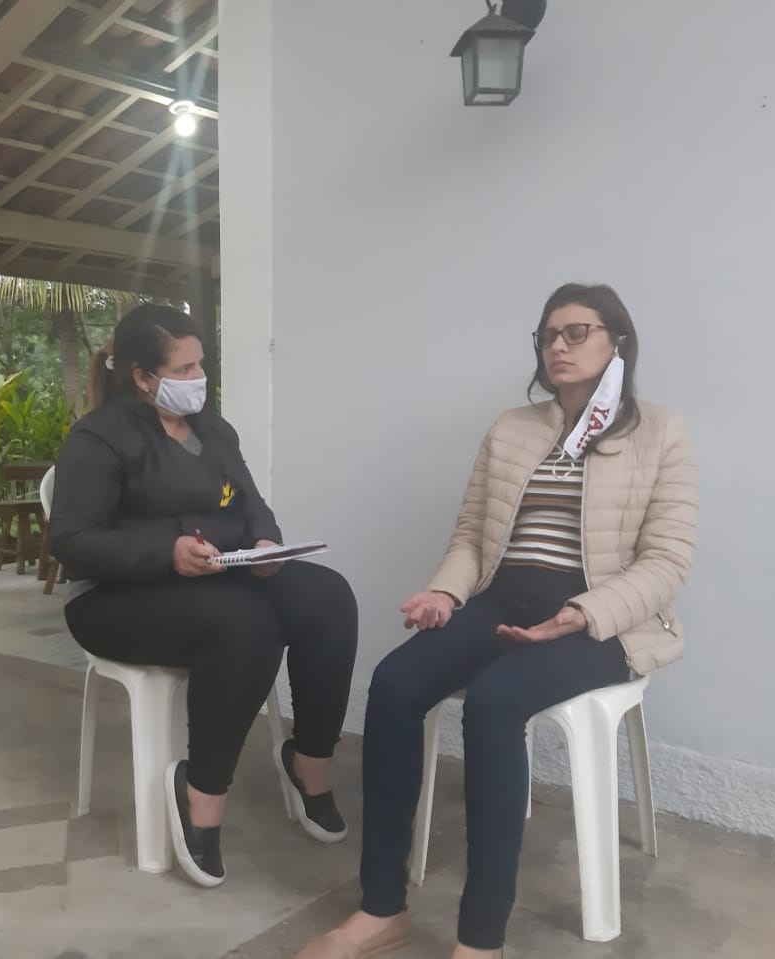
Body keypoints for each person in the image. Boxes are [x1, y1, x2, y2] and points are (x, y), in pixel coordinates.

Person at [297, 284, 698, 959]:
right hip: (503, 597)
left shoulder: (660, 431)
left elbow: (668, 560)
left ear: (618, 342)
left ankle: (481, 940)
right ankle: (381, 908)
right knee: (393, 684)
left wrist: (583, 612)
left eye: (577, 332)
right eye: (548, 335)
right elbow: (472, 538)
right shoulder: (512, 428)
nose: (558, 346)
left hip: (602, 618)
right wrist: (445, 593)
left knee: (493, 701)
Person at [48, 303, 358, 889]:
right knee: (246, 623)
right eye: (184, 369)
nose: (199, 379)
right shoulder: (99, 438)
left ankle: (309, 760)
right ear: (143, 377)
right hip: (114, 599)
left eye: (201, 365)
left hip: (214, 575)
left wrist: (265, 544)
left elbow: (251, 502)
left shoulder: (213, 430)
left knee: (328, 598)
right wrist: (166, 551)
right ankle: (201, 793)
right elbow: (71, 542)